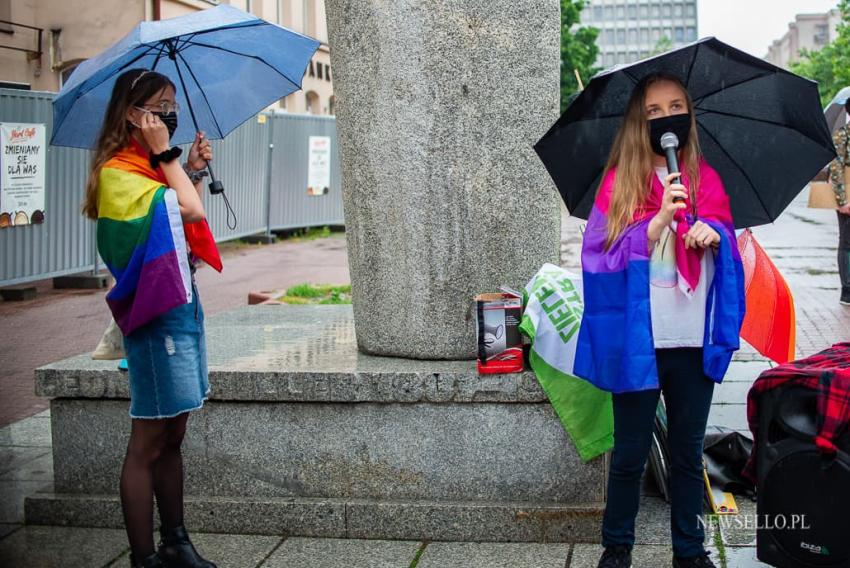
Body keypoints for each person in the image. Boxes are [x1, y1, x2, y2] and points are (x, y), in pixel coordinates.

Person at [574, 73, 746, 568]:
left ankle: (689, 552)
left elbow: (727, 240)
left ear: (688, 116)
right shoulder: (618, 184)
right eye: (653, 112)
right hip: (639, 342)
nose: (666, 118)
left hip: (691, 338)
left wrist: (712, 235)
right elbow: (596, 257)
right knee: (629, 454)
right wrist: (650, 228)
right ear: (636, 122)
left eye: (675, 107)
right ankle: (617, 548)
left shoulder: (703, 179)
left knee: (688, 455)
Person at [82, 68, 220, 568]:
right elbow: (189, 211)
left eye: (171, 105)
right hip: (155, 314)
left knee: (174, 433)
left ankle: (176, 542)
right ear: (130, 114)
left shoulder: (145, 167)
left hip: (180, 303)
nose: (169, 115)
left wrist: (194, 168)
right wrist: (169, 157)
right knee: (148, 439)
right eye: (158, 107)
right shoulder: (120, 172)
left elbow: (178, 217)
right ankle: (144, 558)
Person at [827, 99, 850, 306]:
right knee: (847, 242)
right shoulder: (843, 134)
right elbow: (836, 167)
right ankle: (847, 289)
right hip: (848, 199)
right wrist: (843, 201)